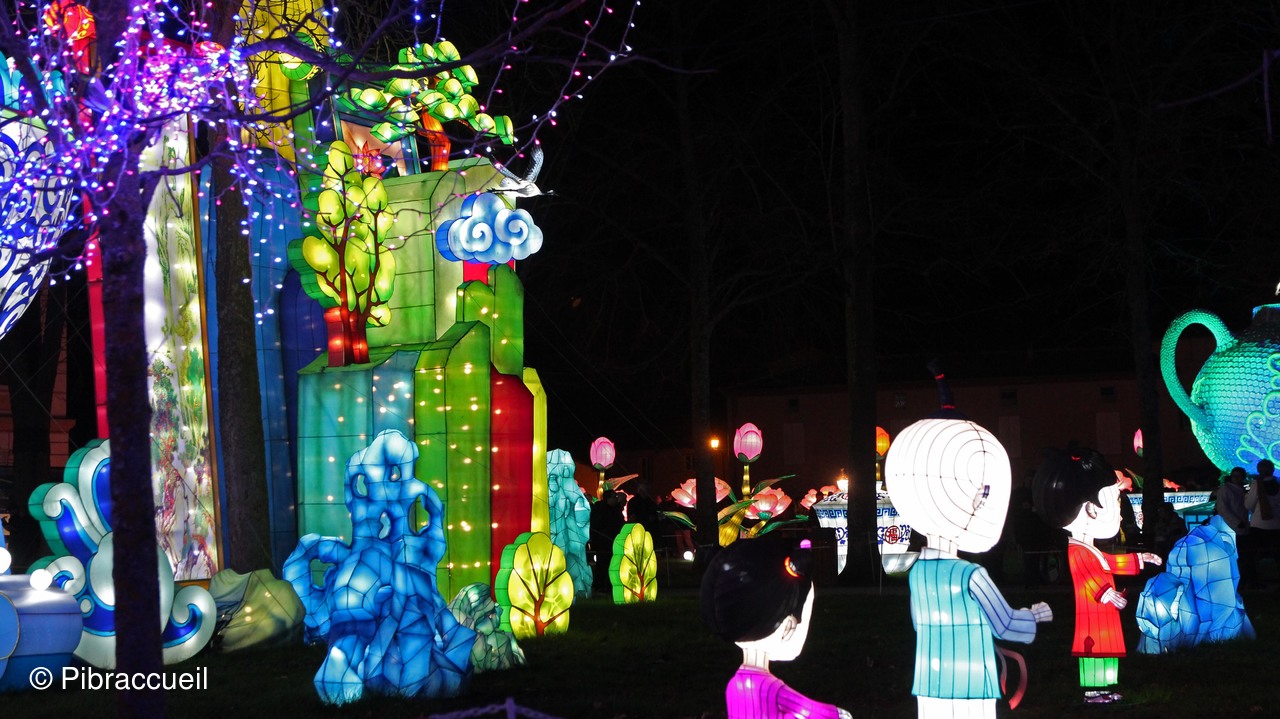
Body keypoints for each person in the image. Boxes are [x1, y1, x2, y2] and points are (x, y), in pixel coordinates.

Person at [884, 410, 1051, 719]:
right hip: (971, 677)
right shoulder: (970, 575)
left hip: (930, 677)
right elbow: (1005, 624)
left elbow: (918, 623)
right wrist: (1035, 616)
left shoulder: (918, 572)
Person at [1033, 447, 1161, 705]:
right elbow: (1086, 577)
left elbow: (1110, 563)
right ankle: (1093, 691)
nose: (1120, 514)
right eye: (1115, 505)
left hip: (1104, 615)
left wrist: (1140, 558)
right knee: (1093, 651)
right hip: (1092, 615)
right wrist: (1107, 594)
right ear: (1090, 508)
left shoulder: (1090, 548)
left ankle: (1108, 688)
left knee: (1108, 649)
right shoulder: (1078, 550)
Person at [701, 538, 851, 719]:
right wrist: (839, 714)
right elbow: (808, 709)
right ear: (788, 625)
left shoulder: (733, 684)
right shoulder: (771, 688)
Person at [1244, 459, 1280, 585]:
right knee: (1277, 554)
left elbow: (1249, 504)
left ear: (1259, 470)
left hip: (1259, 525)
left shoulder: (1256, 484)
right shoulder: (1278, 482)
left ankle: (1256, 581)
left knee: (1255, 555)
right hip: (1277, 525)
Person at [589, 490, 626, 591]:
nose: (616, 499)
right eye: (614, 497)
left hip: (614, 540)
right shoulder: (600, 509)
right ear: (608, 498)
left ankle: (610, 586)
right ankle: (599, 586)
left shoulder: (615, 510)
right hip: (603, 541)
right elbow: (596, 525)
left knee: (613, 564)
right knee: (602, 564)